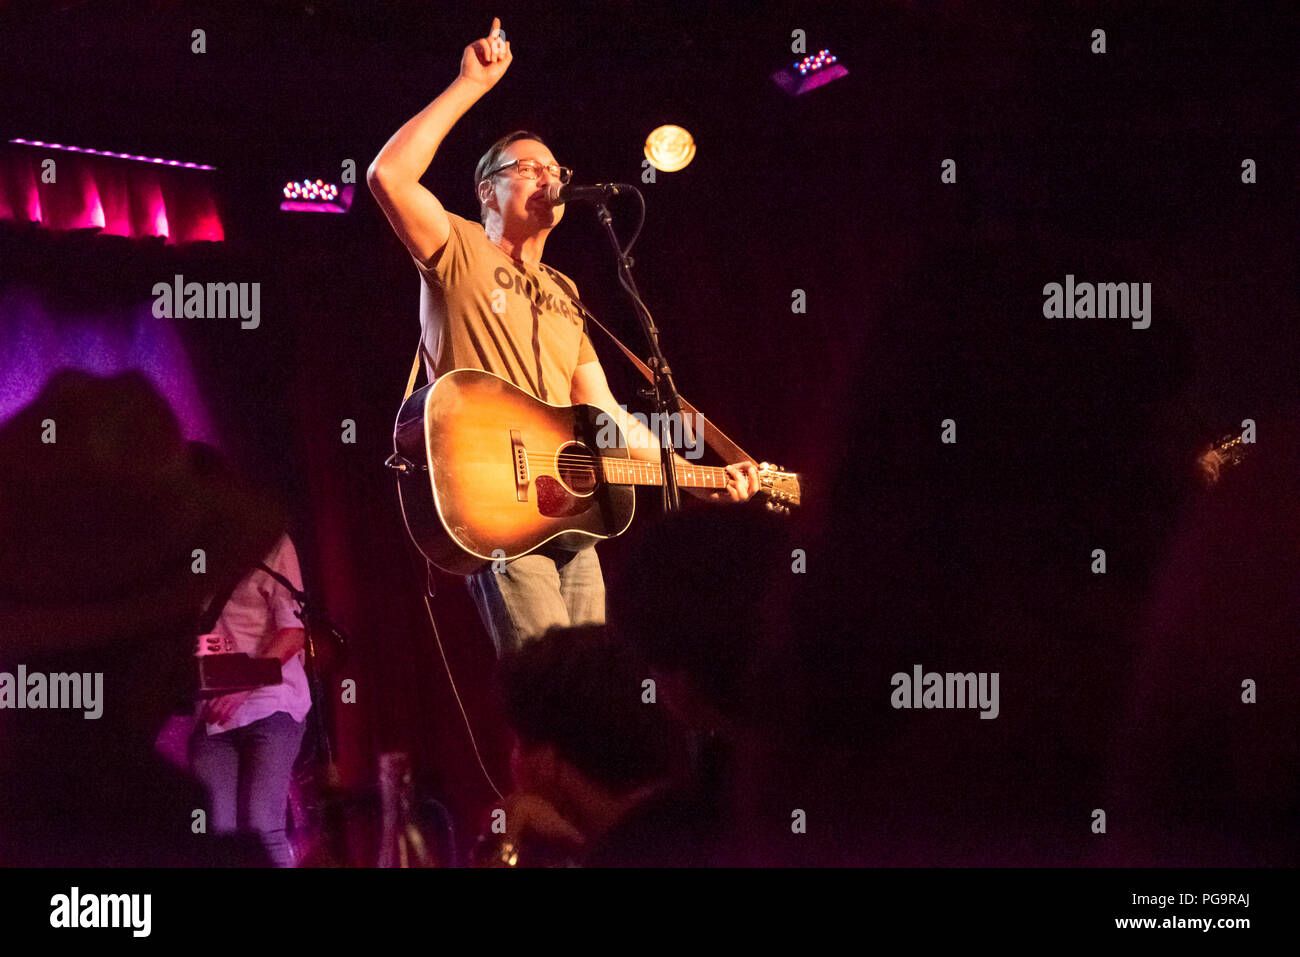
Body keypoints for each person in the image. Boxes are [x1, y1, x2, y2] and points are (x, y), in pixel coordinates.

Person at [367, 18, 760, 656]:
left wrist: (693, 474)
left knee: (592, 685)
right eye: (530, 167)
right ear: (487, 190)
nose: (551, 176)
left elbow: (602, 414)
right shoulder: (458, 245)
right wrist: (471, 85)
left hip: (569, 513)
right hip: (496, 495)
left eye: (556, 168)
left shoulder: (564, 290)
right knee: (554, 692)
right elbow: (388, 177)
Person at [187, 520, 312, 869]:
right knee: (215, 832)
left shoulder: (268, 541)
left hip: (270, 702)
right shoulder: (180, 547)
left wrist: (241, 684)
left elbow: (292, 633)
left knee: (261, 825)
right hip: (212, 713)